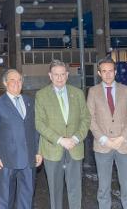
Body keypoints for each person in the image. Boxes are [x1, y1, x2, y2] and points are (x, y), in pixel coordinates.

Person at [35, 59, 91, 209]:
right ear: (50, 76)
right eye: (56, 74)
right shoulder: (41, 95)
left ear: (67, 75)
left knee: (75, 190)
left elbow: (86, 118)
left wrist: (76, 138)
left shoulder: (78, 93)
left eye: (62, 74)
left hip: (75, 147)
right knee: (55, 191)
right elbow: (40, 124)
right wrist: (60, 140)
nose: (59, 78)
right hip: (53, 150)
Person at [86, 58, 127, 209]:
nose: (108, 74)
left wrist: (122, 138)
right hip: (103, 146)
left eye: (110, 71)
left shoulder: (126, 90)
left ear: (115, 72)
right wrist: (104, 139)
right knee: (103, 188)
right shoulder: (93, 91)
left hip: (124, 145)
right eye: (104, 71)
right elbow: (90, 118)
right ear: (99, 73)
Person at [0, 69, 43, 209]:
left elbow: (35, 130)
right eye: (12, 80)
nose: (16, 83)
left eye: (19, 80)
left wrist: (38, 151)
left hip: (29, 160)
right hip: (6, 160)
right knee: (5, 200)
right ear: (5, 83)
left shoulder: (30, 102)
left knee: (27, 200)